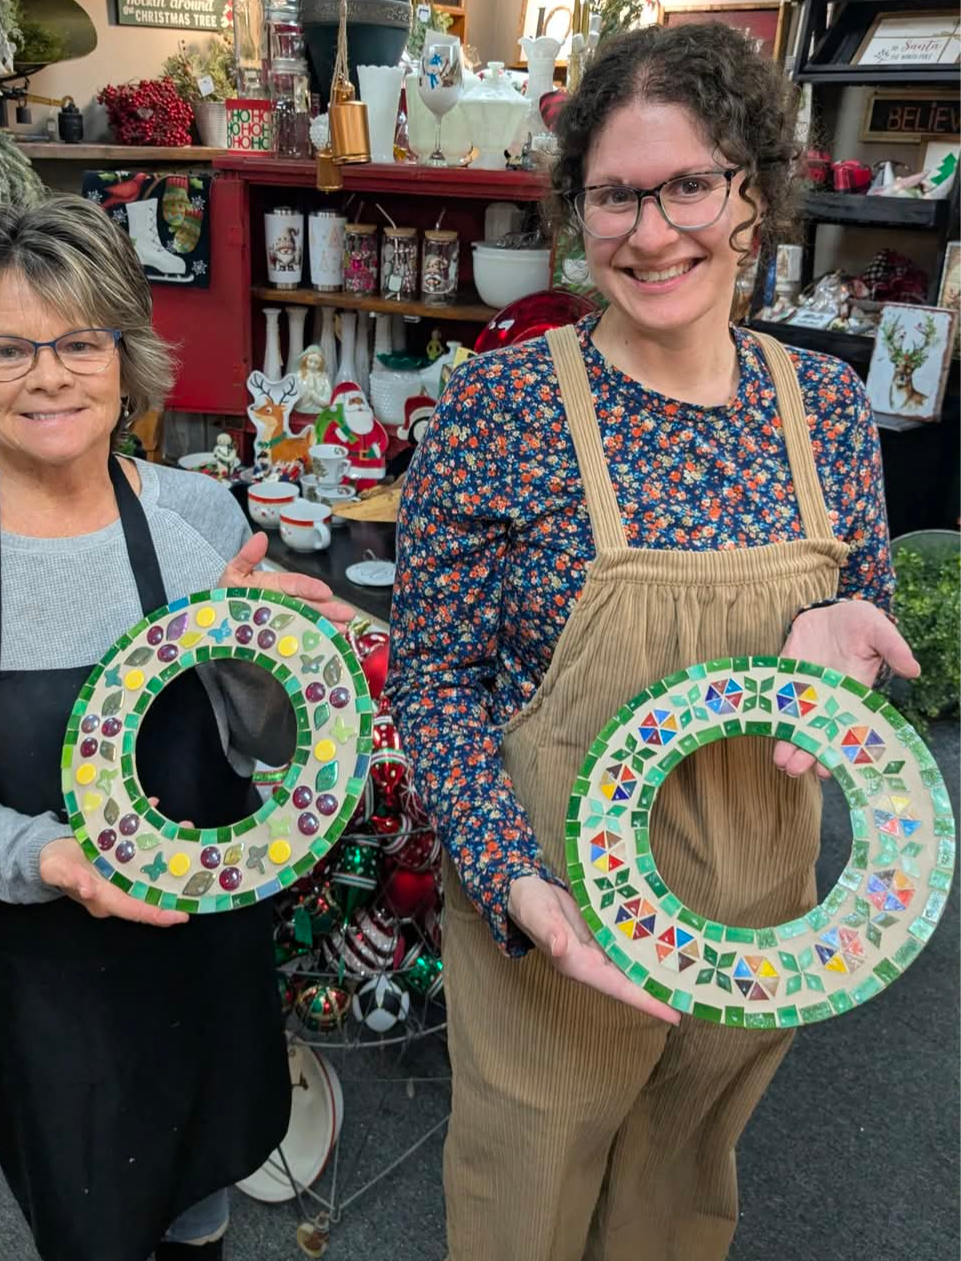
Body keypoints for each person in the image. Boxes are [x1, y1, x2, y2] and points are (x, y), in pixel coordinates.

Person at [385, 24, 920, 1261]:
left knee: (679, 1193)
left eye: (690, 185)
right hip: (554, 914)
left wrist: (846, 642)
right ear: (577, 210)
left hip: (755, 919)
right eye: (614, 195)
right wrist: (516, 887)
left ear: (755, 195)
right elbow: (435, 676)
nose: (651, 230)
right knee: (523, 1198)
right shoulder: (500, 407)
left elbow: (866, 659)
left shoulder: (826, 407)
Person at [0, 195, 353, 1261]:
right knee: (88, 1216)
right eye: (8, 348)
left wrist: (271, 660)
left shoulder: (200, 517)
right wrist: (48, 856)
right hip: (40, 970)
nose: (48, 377)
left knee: (201, 1195)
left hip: (203, 948)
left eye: (79, 343)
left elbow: (261, 748)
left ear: (123, 354)